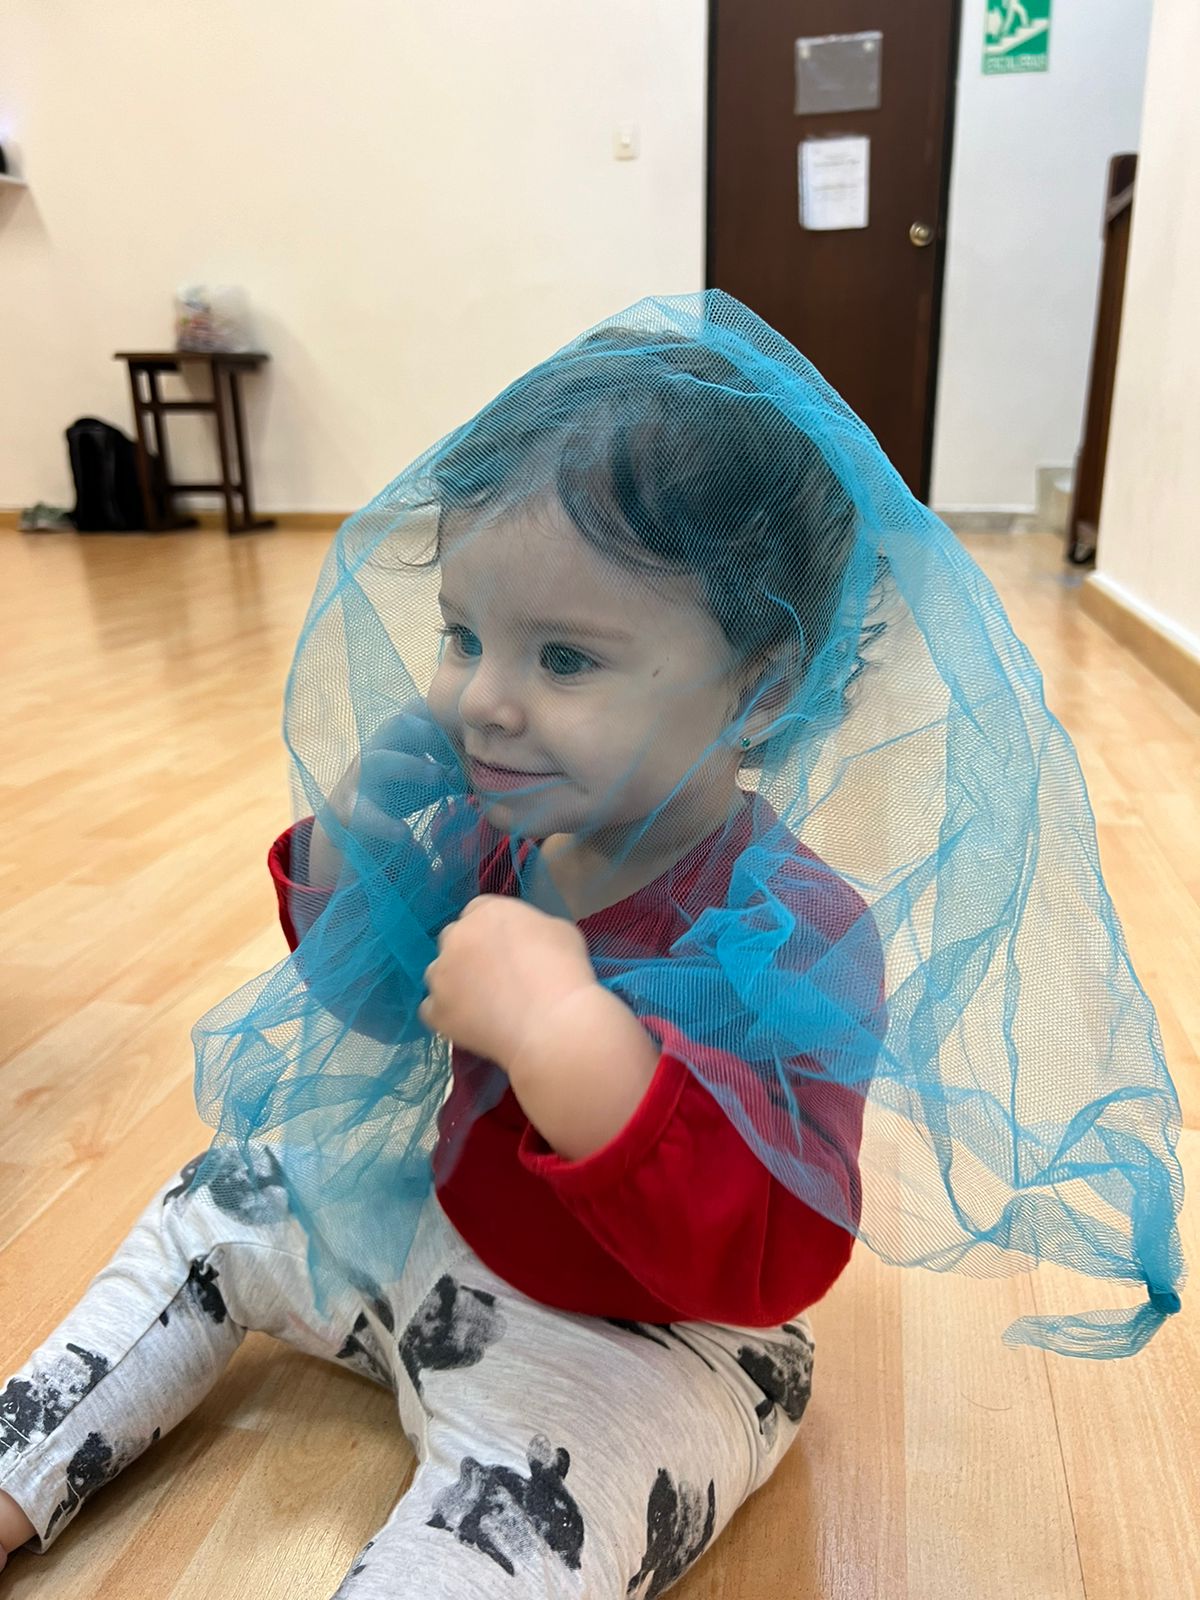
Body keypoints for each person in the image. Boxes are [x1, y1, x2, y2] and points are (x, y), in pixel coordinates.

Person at [0, 294, 1182, 1594]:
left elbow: (774, 1248)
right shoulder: (501, 824)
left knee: (508, 1547)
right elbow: (372, 1001)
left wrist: (573, 1039)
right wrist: (356, 849)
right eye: (463, 634)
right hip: (439, 1234)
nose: (478, 699)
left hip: (651, 1351)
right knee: (213, 1202)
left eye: (562, 657)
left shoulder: (795, 930)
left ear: (763, 682)